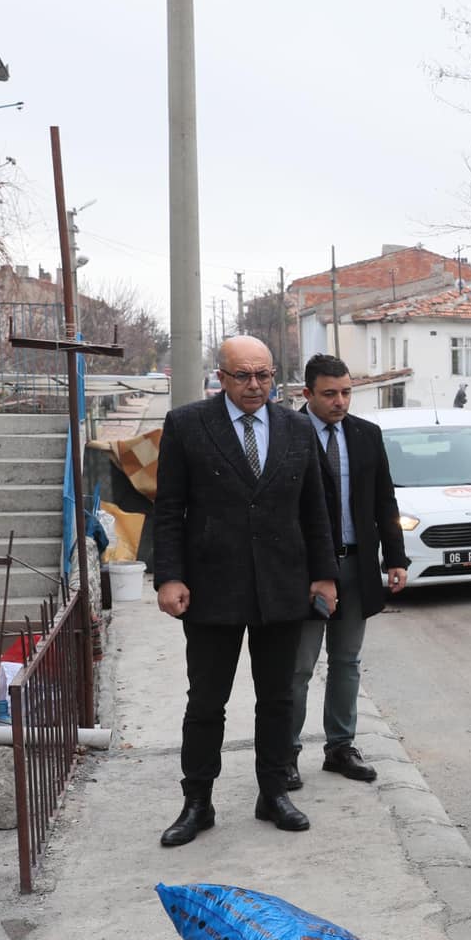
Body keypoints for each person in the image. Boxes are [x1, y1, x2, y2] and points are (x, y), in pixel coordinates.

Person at [150, 335, 339, 846]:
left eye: (263, 375)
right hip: (211, 589)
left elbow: (315, 510)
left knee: (278, 697)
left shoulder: (297, 428)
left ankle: (273, 792)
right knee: (206, 702)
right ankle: (197, 802)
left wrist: (324, 575)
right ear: (222, 376)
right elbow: (168, 508)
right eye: (242, 376)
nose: (254, 385)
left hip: (282, 586)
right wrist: (169, 576)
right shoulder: (188, 425)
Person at [286, 354, 408, 789]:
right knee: (298, 666)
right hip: (304, 571)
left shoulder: (365, 434)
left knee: (347, 661)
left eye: (346, 392)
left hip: (357, 563)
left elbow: (384, 500)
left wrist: (395, 557)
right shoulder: (287, 432)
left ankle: (340, 746)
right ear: (307, 394)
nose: (340, 402)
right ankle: (286, 754)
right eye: (329, 394)